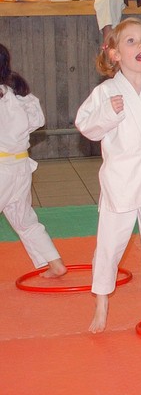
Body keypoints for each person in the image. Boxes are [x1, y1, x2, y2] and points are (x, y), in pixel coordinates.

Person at [75, 20, 141, 333]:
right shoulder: (106, 92)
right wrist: (108, 113)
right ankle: (101, 303)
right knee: (110, 243)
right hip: (120, 180)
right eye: (131, 41)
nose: (140, 47)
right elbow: (87, 126)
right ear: (115, 53)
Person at [0, 44, 67, 280]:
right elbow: (37, 119)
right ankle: (55, 263)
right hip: (20, 167)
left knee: (24, 219)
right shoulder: (17, 92)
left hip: (3, 169)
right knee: (25, 220)